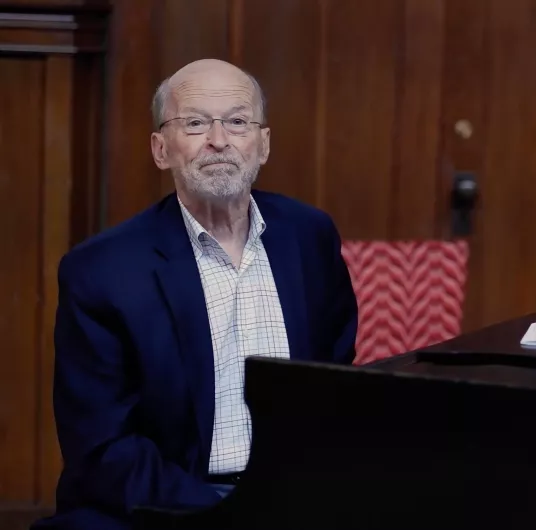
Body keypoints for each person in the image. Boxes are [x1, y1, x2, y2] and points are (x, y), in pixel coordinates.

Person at [32, 59, 358, 530]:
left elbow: (335, 378)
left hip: (298, 495)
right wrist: (228, 514)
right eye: (195, 123)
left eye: (238, 121)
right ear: (160, 149)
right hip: (170, 502)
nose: (219, 140)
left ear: (263, 144)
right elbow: (104, 449)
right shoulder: (101, 271)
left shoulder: (309, 237)